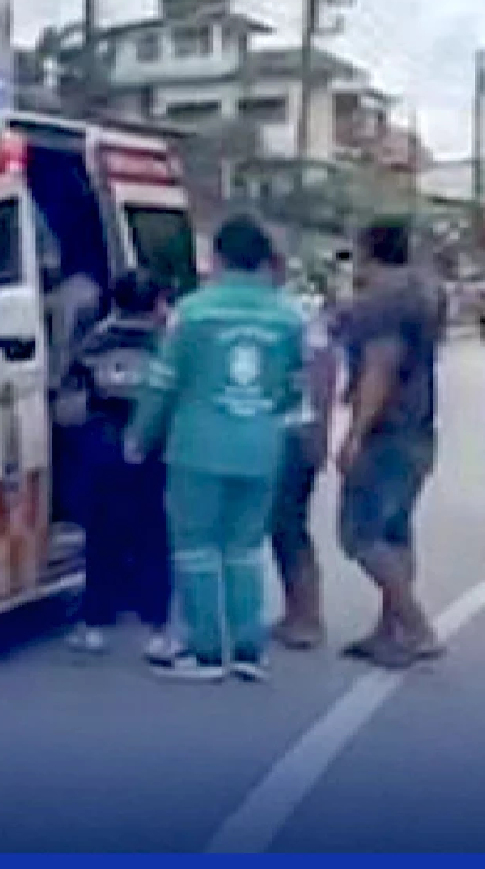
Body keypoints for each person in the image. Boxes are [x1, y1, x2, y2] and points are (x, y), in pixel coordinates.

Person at [128, 217, 306, 683]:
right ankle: (249, 650)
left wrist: (139, 436)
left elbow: (163, 383)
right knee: (246, 548)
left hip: (198, 446)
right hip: (262, 446)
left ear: (218, 259)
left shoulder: (192, 312)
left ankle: (205, 652)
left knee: (196, 548)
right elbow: (293, 389)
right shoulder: (289, 317)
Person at [337, 217, 447, 669]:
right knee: (395, 531)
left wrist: (356, 432)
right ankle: (390, 628)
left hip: (388, 428)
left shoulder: (381, 301)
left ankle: (417, 626)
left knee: (359, 534)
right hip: (419, 422)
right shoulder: (426, 292)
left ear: (367, 249)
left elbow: (381, 365)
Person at [59, 269, 175, 664]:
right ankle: (158, 629)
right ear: (155, 303)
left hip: (103, 449)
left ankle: (94, 624)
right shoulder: (165, 345)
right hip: (153, 449)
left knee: (102, 536)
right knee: (154, 537)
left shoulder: (94, 343)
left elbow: (69, 403)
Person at [270, 265, 342, 651]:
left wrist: (319, 429)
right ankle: (296, 611)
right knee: (279, 527)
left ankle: (308, 616)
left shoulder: (295, 314)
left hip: (292, 430)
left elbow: (323, 369)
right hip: (272, 431)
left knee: (288, 525)